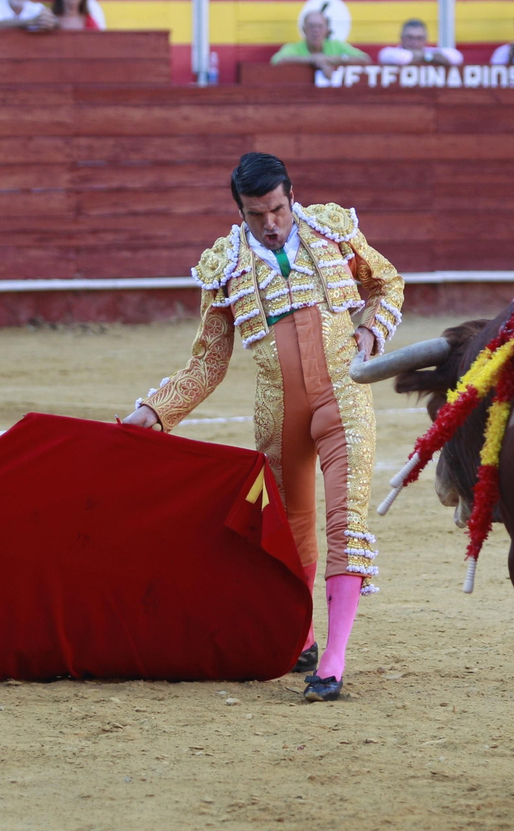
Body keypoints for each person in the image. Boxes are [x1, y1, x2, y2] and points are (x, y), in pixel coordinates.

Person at [120, 152, 404, 703]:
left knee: (345, 519)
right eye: (257, 214)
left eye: (277, 209)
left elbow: (386, 284)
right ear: (241, 212)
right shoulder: (224, 266)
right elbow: (208, 361)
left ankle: (334, 660)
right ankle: (300, 637)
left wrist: (372, 331)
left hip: (343, 395)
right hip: (277, 410)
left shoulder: (334, 232)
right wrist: (155, 412)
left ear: (291, 196)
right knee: (290, 528)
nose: (271, 223)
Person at [271, 8, 367, 74]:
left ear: (326, 30)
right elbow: (277, 60)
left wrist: (334, 59)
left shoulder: (336, 45)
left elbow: (365, 59)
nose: (316, 31)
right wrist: (313, 60)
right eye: (311, 26)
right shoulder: (294, 48)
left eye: (320, 26)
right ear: (304, 30)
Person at [378, 17, 461, 65]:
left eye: (419, 38)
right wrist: (430, 57)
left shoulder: (430, 52)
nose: (414, 42)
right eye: (409, 37)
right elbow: (402, 58)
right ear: (401, 38)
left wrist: (425, 56)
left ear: (426, 39)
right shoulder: (389, 53)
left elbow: (456, 57)